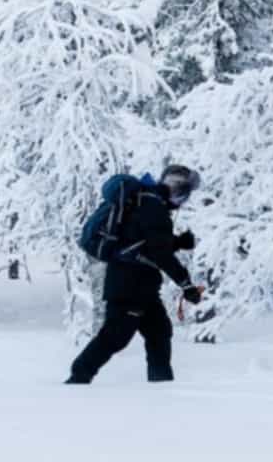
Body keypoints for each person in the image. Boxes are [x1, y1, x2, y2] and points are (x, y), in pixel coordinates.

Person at [67, 165, 205, 385]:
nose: (183, 202)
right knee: (116, 336)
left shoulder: (148, 203)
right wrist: (186, 285)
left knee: (159, 331)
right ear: (176, 190)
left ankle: (162, 385)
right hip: (130, 284)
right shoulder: (153, 208)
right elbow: (159, 253)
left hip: (140, 284)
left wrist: (177, 242)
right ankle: (77, 379)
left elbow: (143, 243)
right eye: (183, 195)